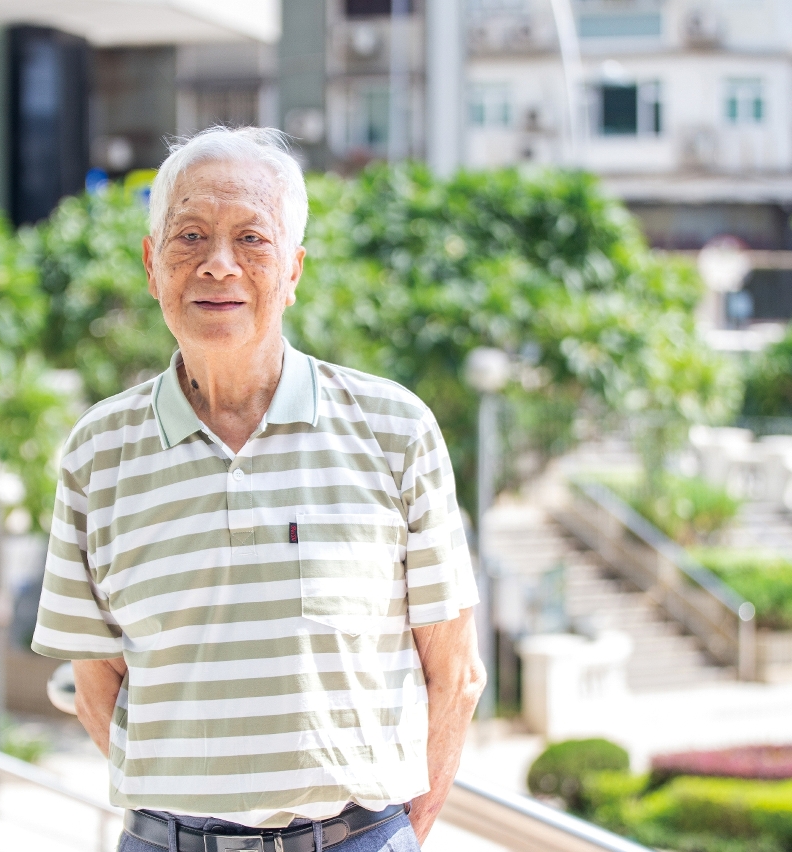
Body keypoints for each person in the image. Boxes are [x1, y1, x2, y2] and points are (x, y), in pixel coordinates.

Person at [31, 126, 486, 852]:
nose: (219, 264)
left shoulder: (396, 429)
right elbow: (96, 689)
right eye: (190, 236)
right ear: (152, 265)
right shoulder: (97, 452)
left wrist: (398, 836)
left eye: (252, 239)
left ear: (294, 270)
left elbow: (454, 674)